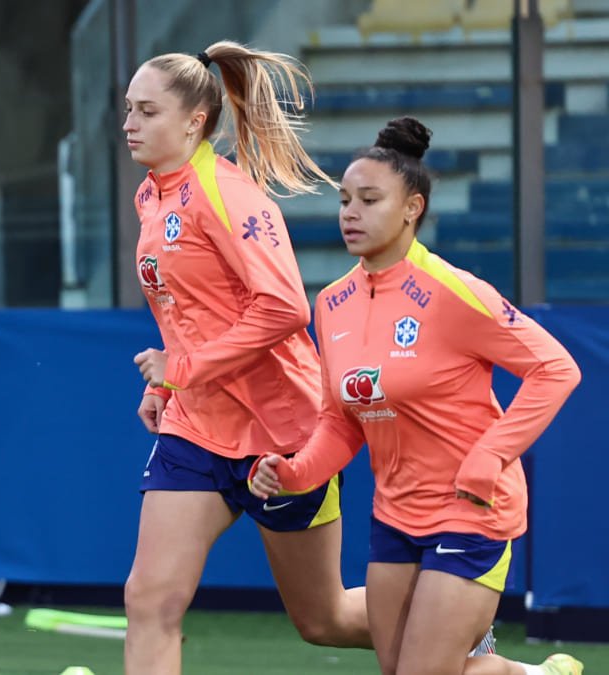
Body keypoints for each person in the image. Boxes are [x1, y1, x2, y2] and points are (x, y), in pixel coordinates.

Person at [119, 41, 486, 674]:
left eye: (147, 111)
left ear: (193, 122)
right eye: (128, 109)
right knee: (149, 599)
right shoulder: (150, 196)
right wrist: (169, 383)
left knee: (322, 620)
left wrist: (184, 368)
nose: (130, 123)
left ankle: (458, 639)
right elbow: (185, 306)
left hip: (282, 431)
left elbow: (284, 307)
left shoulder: (229, 195)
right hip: (196, 430)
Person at [249, 117, 584, 675]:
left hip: (473, 510)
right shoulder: (331, 303)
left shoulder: (455, 291)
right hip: (396, 515)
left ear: (413, 208)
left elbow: (556, 369)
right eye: (344, 200)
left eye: (370, 200)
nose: (350, 213)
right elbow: (341, 419)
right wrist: (295, 471)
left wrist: (490, 455)